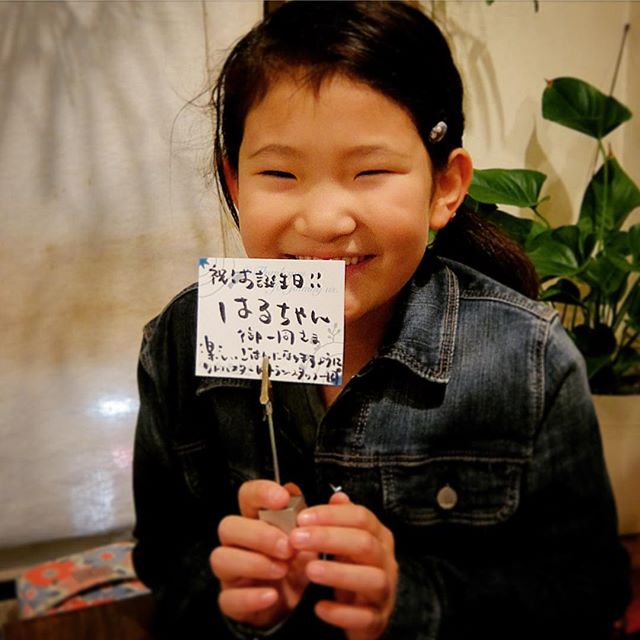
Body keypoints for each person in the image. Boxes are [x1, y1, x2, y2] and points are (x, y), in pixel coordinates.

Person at [131, 3, 630, 639]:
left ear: (444, 187)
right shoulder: (182, 341)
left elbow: (589, 588)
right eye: (279, 173)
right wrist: (230, 593)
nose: (323, 221)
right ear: (234, 181)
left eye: (370, 171)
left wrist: (409, 598)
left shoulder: (527, 359)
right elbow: (163, 559)